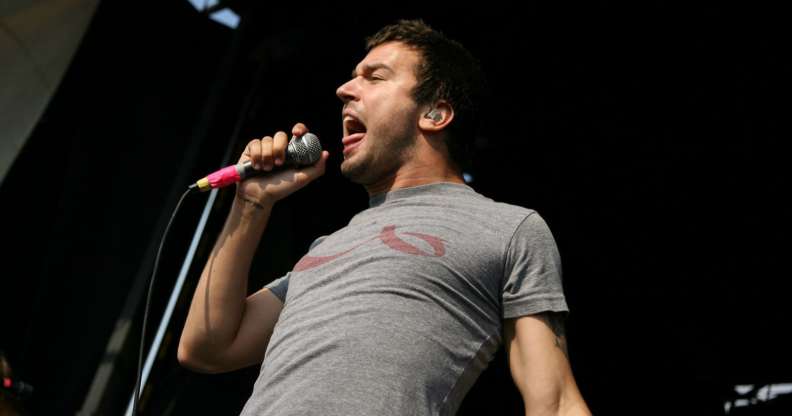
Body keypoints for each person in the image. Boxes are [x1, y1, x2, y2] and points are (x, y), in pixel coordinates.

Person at [178, 19, 590, 415]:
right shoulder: (329, 247)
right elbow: (207, 347)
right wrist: (250, 204)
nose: (343, 90)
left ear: (434, 114)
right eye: (352, 77)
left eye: (374, 77)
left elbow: (554, 402)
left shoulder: (508, 229)